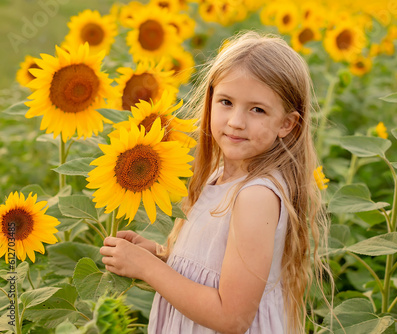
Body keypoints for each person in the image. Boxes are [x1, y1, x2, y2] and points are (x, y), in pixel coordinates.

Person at [100, 31, 332, 334]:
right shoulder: (218, 175)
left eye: (257, 109)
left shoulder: (256, 197)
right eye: (226, 102)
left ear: (287, 124)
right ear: (210, 101)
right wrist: (161, 257)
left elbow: (231, 317)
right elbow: (213, 269)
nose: (236, 121)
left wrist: (148, 269)